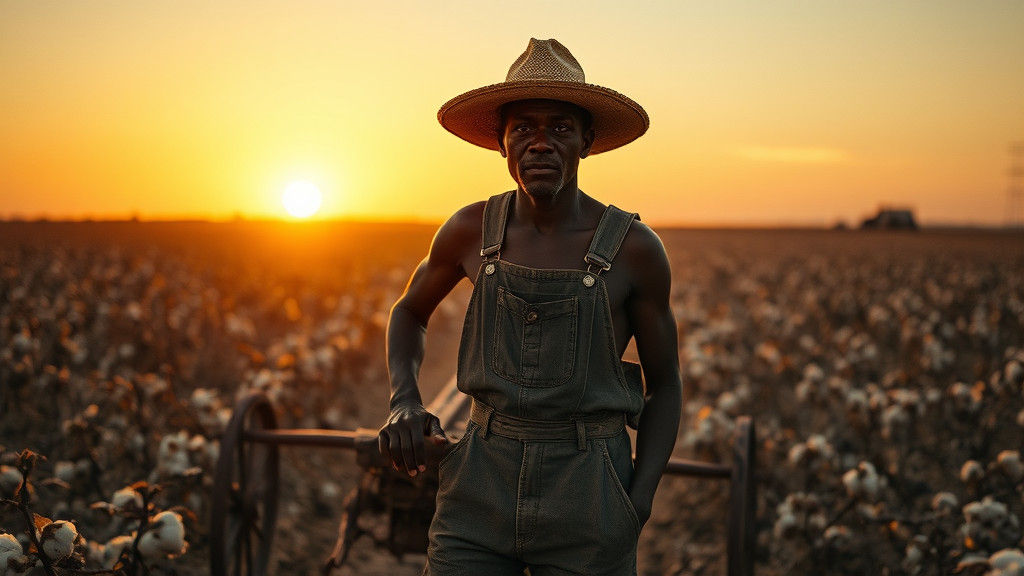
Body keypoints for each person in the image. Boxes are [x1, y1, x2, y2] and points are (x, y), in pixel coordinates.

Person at [378, 38, 682, 576]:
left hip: (589, 491)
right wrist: (404, 399)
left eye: (561, 128)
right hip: (478, 484)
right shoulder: (470, 230)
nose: (540, 143)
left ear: (587, 140)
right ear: (501, 142)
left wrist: (638, 500)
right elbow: (408, 313)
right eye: (523, 128)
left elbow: (666, 384)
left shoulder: (635, 249)